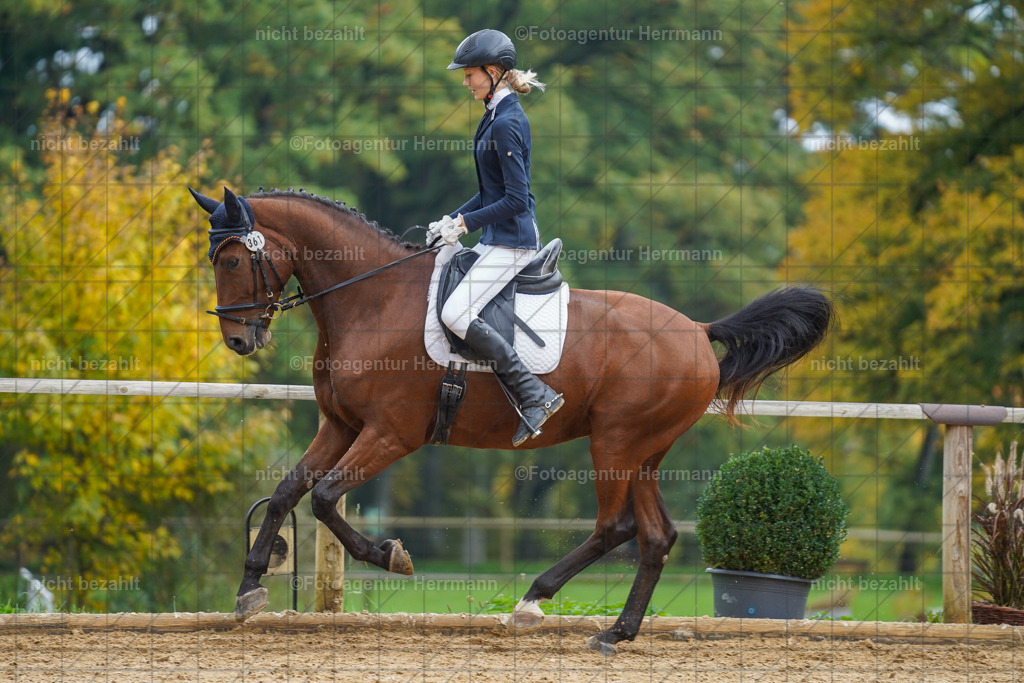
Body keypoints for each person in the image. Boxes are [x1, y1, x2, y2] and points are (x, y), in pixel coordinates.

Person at [427, 28, 563, 447]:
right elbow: (491, 192)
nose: (465, 82)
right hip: (496, 237)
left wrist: (466, 225)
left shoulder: (507, 122)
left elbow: (517, 200)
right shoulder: (494, 115)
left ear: (493, 71)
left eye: (470, 74)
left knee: (455, 314)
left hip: (513, 242)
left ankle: (534, 393)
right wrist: (453, 217)